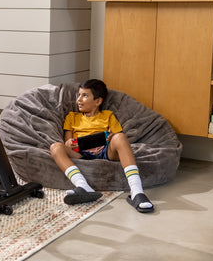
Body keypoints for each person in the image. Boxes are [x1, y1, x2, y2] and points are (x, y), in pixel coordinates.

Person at [50, 79, 154, 213]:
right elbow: (67, 142)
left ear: (98, 101)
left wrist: (111, 137)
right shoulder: (72, 117)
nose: (79, 100)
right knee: (55, 147)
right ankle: (82, 185)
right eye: (79, 95)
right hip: (80, 152)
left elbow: (117, 136)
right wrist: (69, 143)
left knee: (120, 138)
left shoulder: (108, 116)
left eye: (85, 95)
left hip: (104, 150)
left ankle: (137, 191)